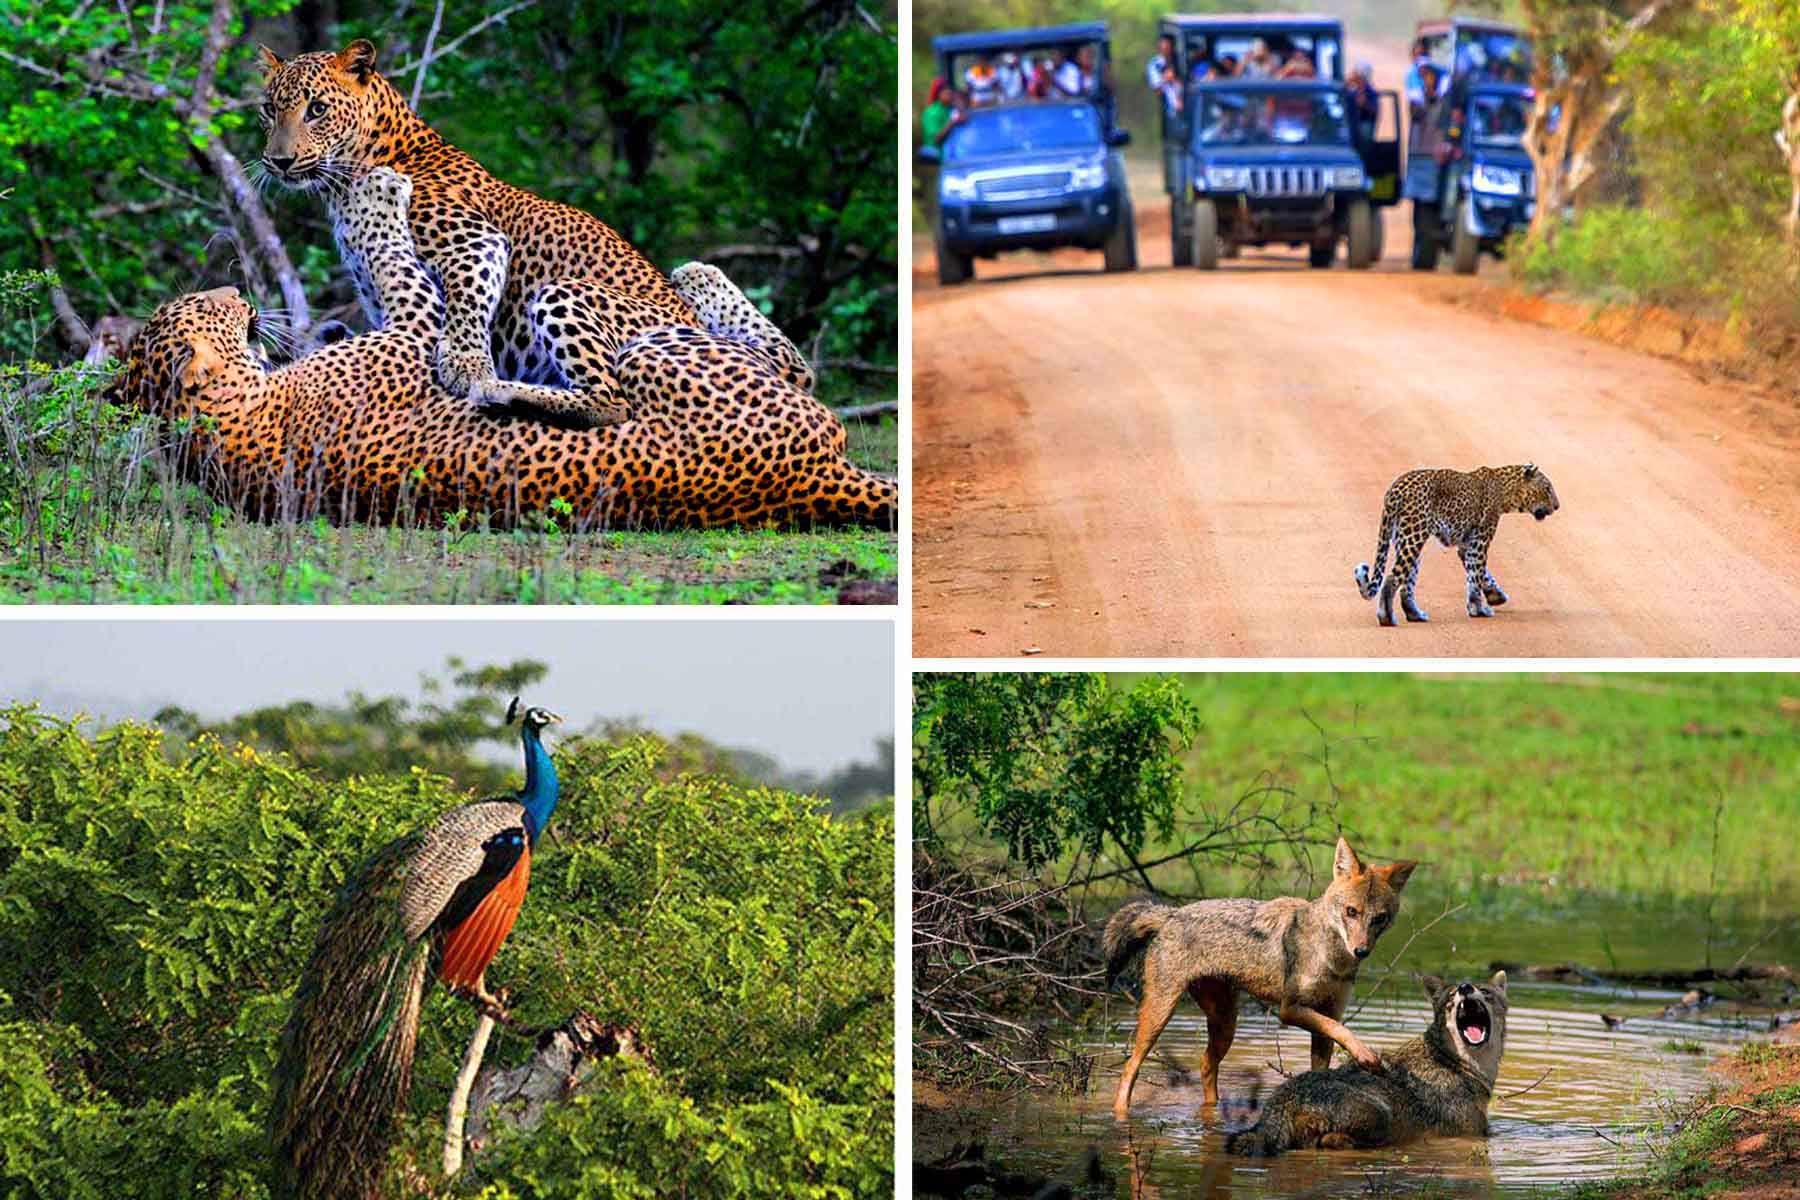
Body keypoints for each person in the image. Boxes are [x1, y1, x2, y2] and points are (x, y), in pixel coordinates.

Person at [1346, 61, 1379, 140]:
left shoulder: (1370, 92)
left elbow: (1374, 110)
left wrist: (1365, 104)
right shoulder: (1352, 90)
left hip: (1363, 129)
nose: (1352, 75)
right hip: (1351, 129)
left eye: (1355, 73)